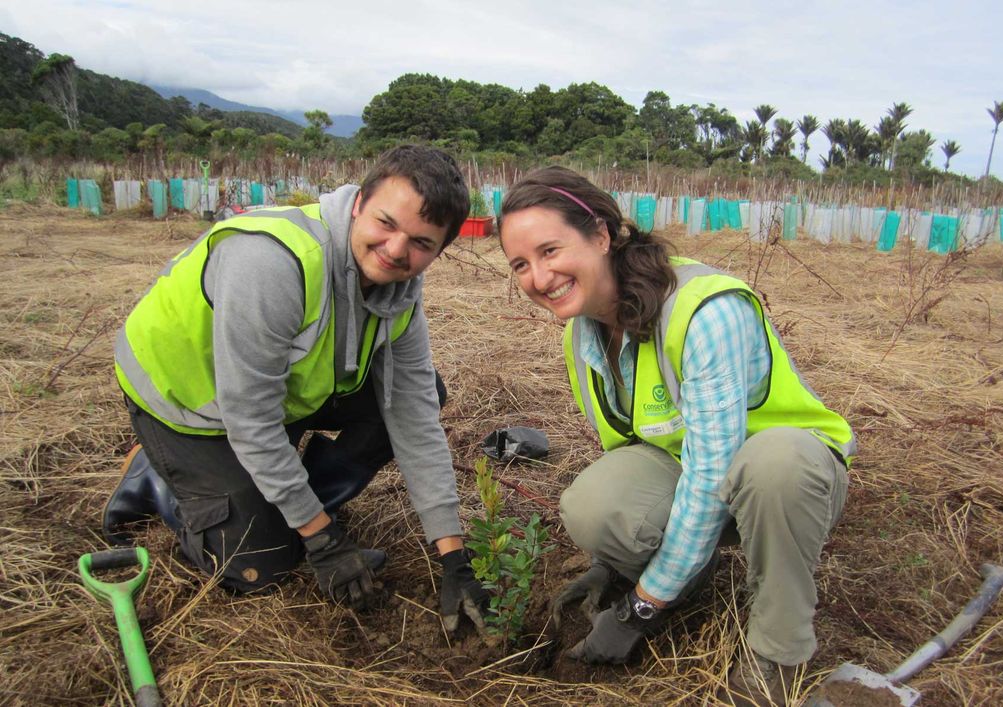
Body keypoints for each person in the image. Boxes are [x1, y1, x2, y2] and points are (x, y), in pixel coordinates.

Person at [497, 167, 854, 706]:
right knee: (594, 504)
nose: (539, 277)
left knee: (775, 463)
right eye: (521, 264)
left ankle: (779, 652)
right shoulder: (583, 333)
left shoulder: (703, 310)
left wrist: (641, 608)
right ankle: (690, 573)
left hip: (787, 480)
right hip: (693, 470)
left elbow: (714, 473)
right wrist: (610, 565)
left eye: (550, 250)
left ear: (600, 234)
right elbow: (628, 450)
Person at [103, 144, 488, 635]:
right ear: (358, 204)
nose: (396, 250)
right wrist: (324, 542)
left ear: (439, 250)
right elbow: (250, 418)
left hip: (276, 396)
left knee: (422, 392)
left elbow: (413, 415)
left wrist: (454, 559)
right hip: (188, 406)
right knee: (259, 567)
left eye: (421, 243)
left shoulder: (400, 295)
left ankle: (296, 511)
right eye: (386, 223)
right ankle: (156, 475)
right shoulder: (273, 263)